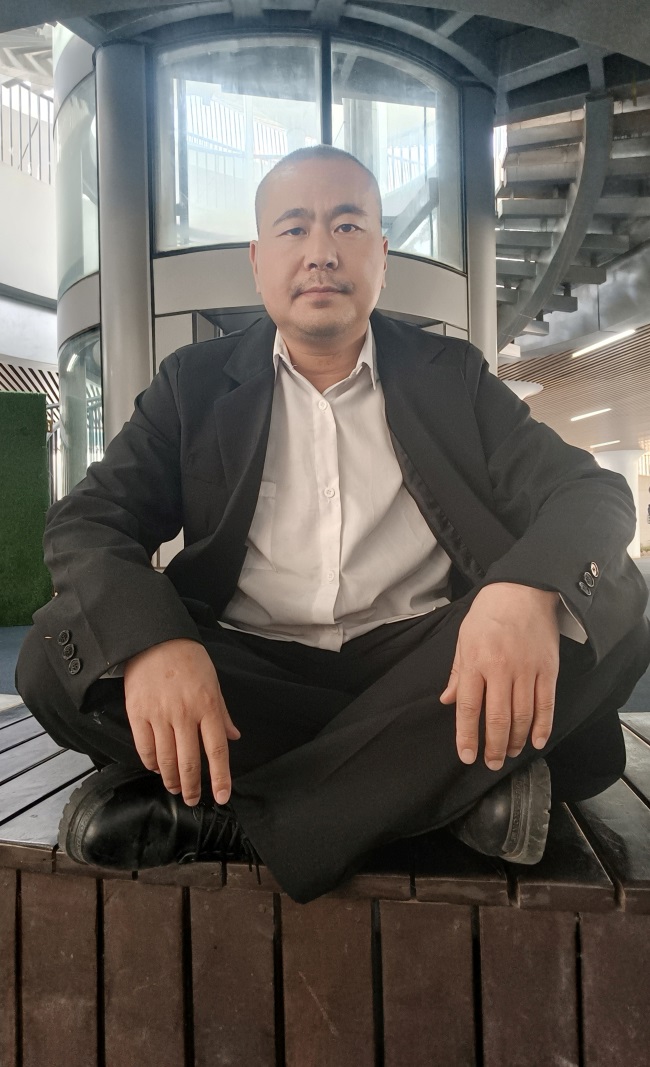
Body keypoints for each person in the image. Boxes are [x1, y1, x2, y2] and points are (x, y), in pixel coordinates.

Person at [16, 145, 650, 904]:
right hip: (253, 677)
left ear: (380, 256)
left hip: (429, 671)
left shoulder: (452, 377)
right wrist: (155, 640)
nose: (321, 251)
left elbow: (590, 493)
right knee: (56, 658)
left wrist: (519, 590)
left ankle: (245, 822)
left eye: (347, 226)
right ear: (258, 262)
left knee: (611, 601)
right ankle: (437, 794)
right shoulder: (193, 385)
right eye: (294, 228)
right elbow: (88, 522)